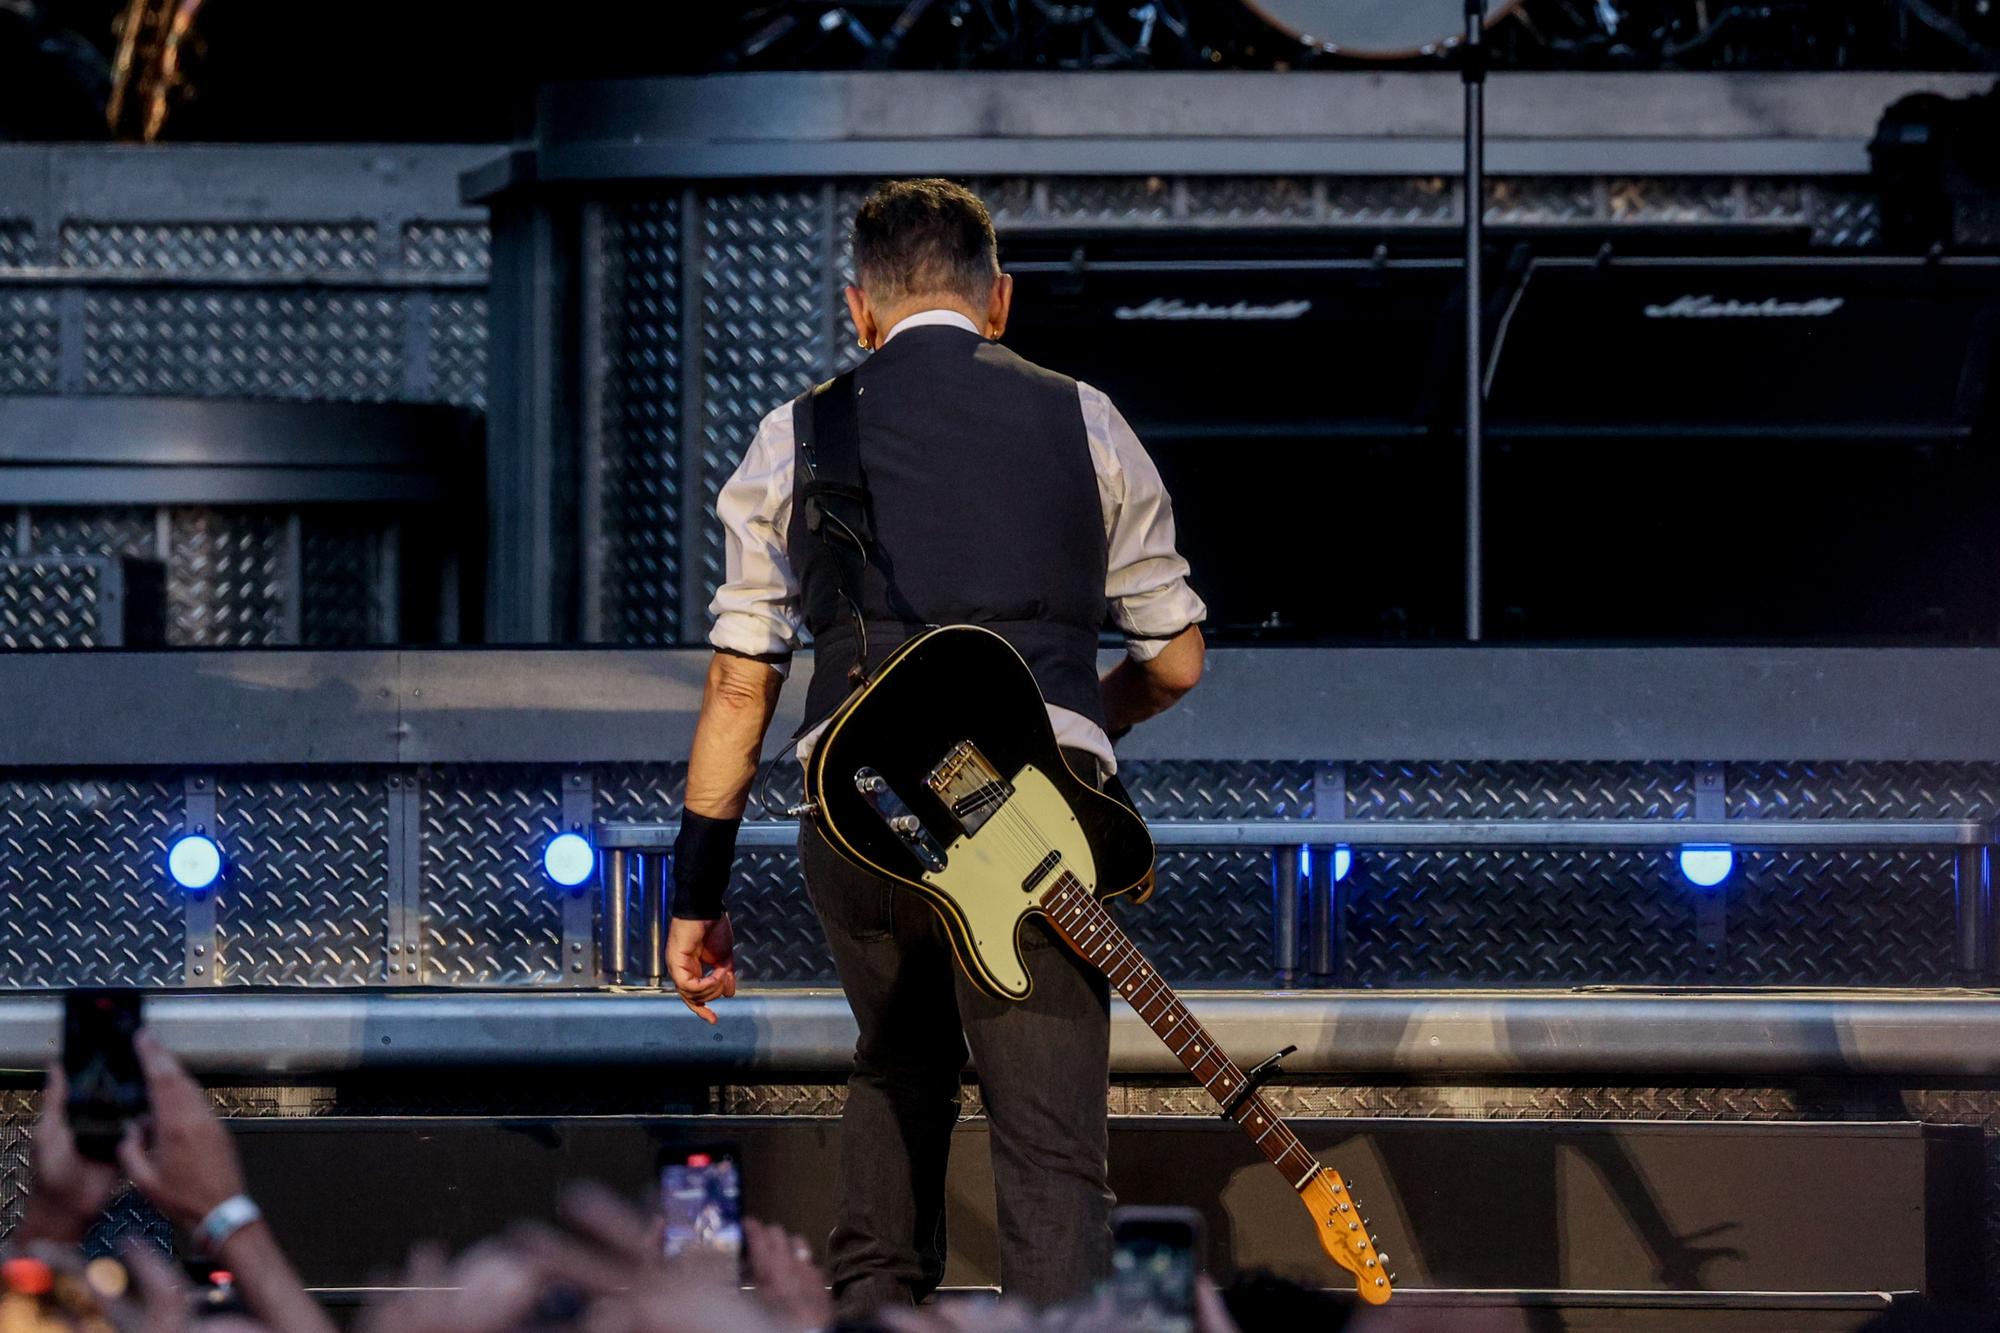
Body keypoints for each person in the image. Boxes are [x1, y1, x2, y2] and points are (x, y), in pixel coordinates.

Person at [663, 178, 1207, 1318]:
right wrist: (1072, 731)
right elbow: (1174, 657)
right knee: (1051, 1148)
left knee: (896, 1067)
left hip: (864, 822)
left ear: (856, 309)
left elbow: (737, 680)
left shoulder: (793, 432)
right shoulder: (1084, 416)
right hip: (1040, 825)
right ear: (997, 300)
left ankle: (874, 1312)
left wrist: (695, 893)